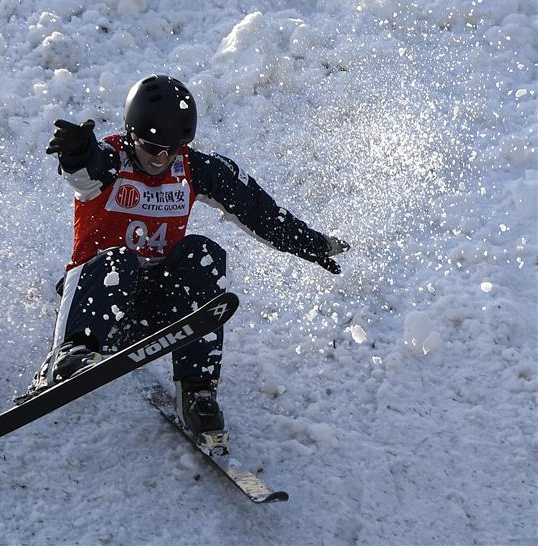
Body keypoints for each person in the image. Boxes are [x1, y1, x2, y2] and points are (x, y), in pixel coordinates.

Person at [24, 74, 349, 446]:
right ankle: (67, 355)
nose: (161, 159)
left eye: (171, 149)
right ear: (131, 135)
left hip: (153, 310)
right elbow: (85, 170)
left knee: (205, 254)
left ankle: (197, 392)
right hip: (99, 306)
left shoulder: (193, 168)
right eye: (151, 148)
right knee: (120, 262)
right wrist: (78, 153)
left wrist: (309, 243)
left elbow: (259, 211)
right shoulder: (111, 160)